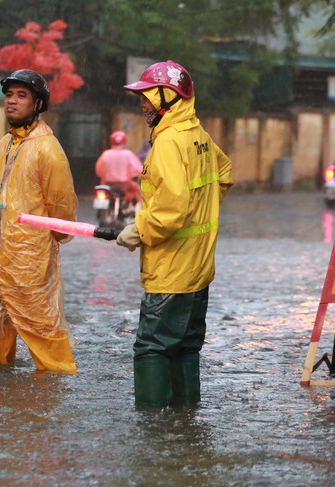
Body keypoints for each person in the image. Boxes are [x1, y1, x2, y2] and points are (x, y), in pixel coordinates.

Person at [116, 60, 234, 407]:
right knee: (185, 347)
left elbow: (170, 210)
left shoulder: (168, 142)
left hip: (170, 273)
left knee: (151, 348)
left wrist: (137, 230)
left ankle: (155, 433)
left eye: (148, 97)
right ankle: (184, 426)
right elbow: (223, 175)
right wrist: (203, 210)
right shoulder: (199, 136)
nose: (142, 105)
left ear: (169, 97)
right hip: (198, 273)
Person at [0, 69, 79, 373]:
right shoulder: (6, 143)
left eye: (21, 96)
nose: (12, 102)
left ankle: (51, 398)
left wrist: (40, 248)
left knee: (43, 333)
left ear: (38, 104)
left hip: (28, 262)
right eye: (9, 95)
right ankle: (1, 394)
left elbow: (62, 210)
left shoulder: (47, 149)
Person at [95, 130, 143, 205]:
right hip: (124, 185)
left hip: (107, 184)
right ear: (124, 142)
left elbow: (98, 170)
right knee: (138, 190)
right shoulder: (128, 154)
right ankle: (139, 210)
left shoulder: (106, 154)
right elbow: (139, 170)